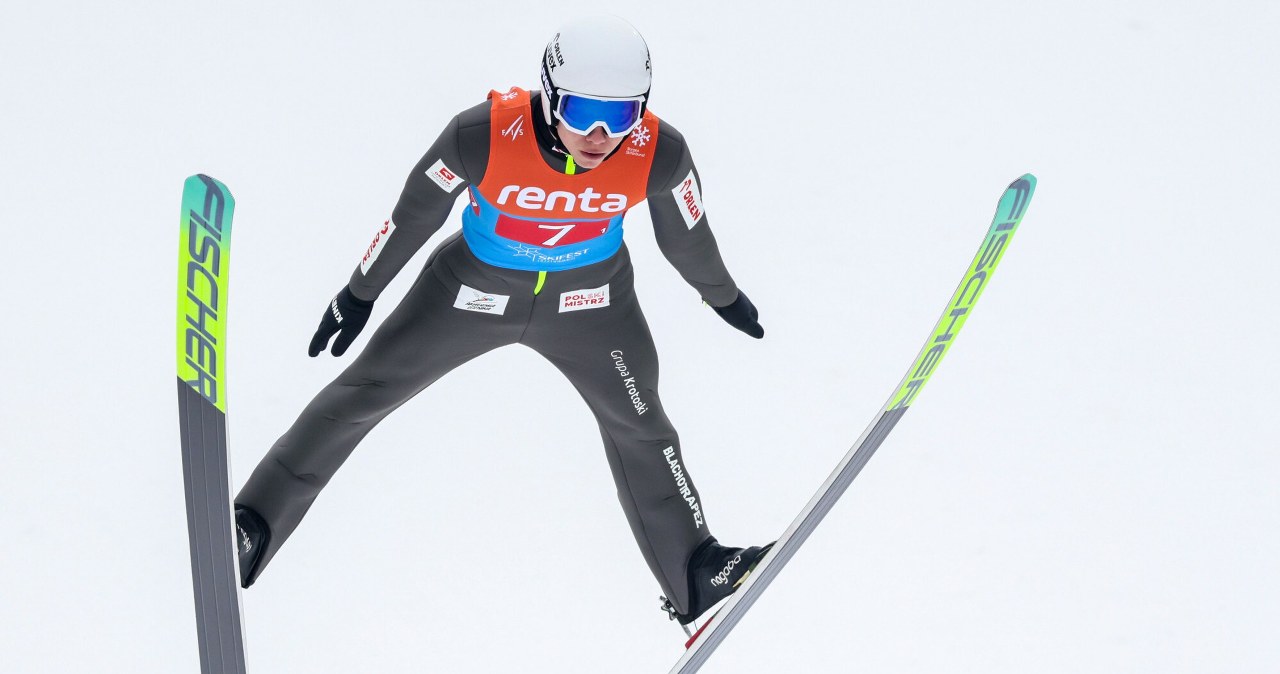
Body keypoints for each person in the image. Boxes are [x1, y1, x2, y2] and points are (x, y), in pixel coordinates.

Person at [233, 15, 771, 628]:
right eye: (582, 111)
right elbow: (412, 215)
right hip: (467, 293)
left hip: (593, 306)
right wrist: (359, 293)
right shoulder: (482, 135)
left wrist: (722, 296)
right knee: (361, 394)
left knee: (643, 425)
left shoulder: (661, 153)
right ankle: (252, 525)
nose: (599, 135)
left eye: (621, 117)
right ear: (548, 94)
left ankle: (693, 570)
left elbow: (688, 239)